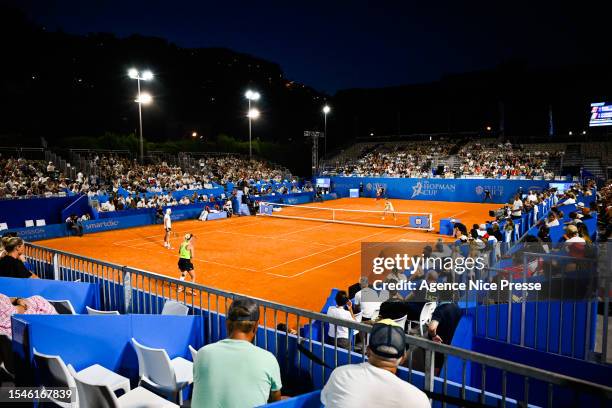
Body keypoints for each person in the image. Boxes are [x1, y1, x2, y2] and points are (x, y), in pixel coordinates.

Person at [191, 298, 283, 407]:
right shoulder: (268, 359)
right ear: (256, 326)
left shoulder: (202, 354)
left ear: (227, 323)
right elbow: (275, 403)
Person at [320, 320, 430, 408]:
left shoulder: (340, 374)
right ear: (403, 359)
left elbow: (325, 400)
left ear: (367, 351)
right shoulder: (419, 399)